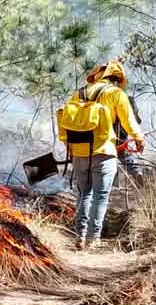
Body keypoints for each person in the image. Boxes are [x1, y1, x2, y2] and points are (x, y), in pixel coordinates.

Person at [58, 60, 144, 250]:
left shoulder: (78, 93)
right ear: (117, 79)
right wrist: (139, 138)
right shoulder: (116, 94)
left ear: (97, 75)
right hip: (104, 151)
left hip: (79, 153)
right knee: (100, 196)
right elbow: (129, 121)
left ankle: (80, 236)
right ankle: (92, 238)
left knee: (84, 194)